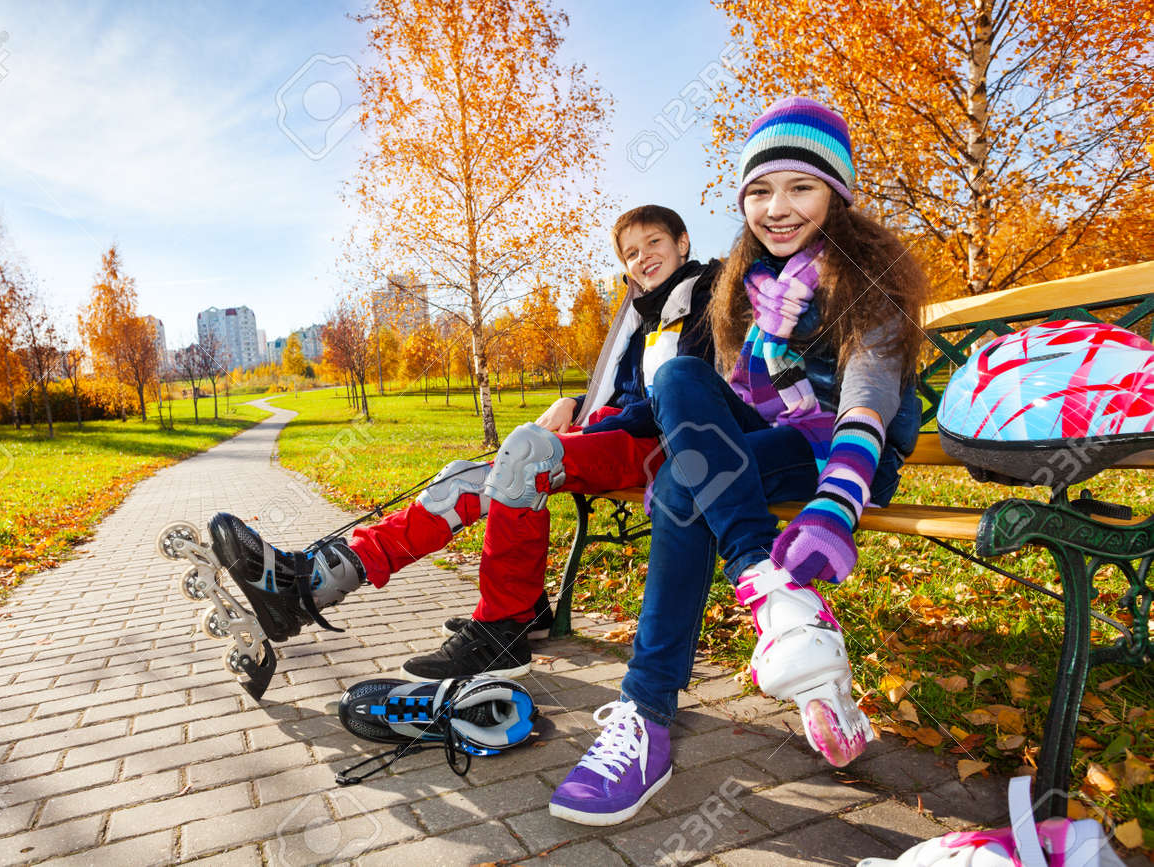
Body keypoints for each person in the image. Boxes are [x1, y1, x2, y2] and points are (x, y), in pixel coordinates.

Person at [548, 96, 928, 827]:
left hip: (848, 458)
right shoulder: (746, 289)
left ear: (838, 195)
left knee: (680, 494)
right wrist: (591, 424)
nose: (776, 209)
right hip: (777, 447)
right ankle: (781, 604)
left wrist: (834, 505)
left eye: (800, 188)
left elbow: (868, 401)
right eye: (759, 190)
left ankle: (649, 709)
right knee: (678, 381)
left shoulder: (869, 280)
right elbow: (712, 399)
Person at [206, 204, 724, 681]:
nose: (642, 258)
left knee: (525, 453)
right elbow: (623, 383)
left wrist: (595, 423)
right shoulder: (640, 313)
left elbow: (694, 387)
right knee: (461, 479)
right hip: (612, 437)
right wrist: (575, 405)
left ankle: (503, 629)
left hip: (669, 448)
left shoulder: (711, 296)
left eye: (653, 243)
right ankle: (316, 581)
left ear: (682, 242)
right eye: (630, 253)